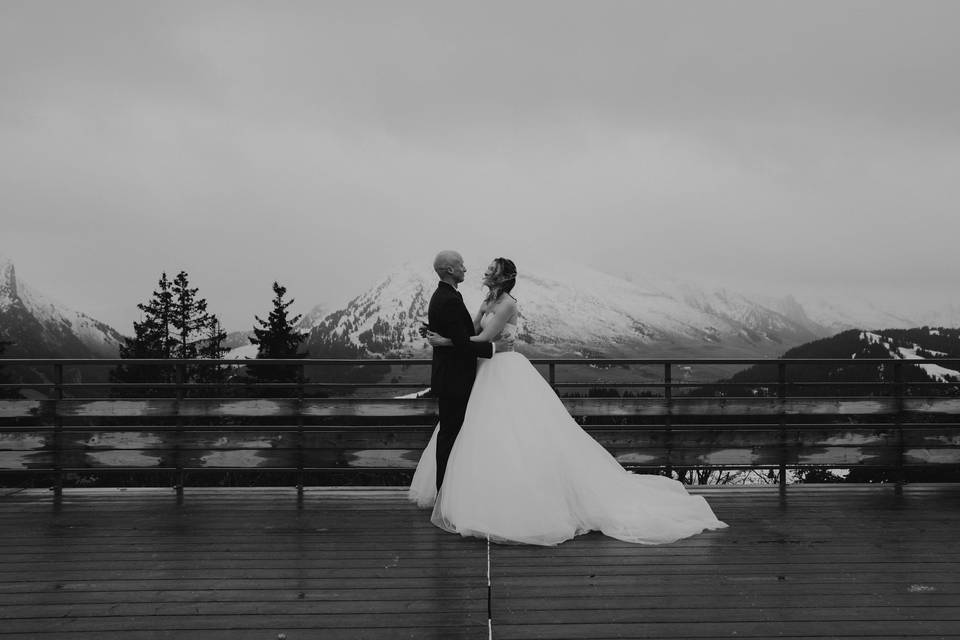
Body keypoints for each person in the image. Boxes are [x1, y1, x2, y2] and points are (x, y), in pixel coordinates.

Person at [409, 257, 727, 546]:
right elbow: (473, 332)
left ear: (503, 277)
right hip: (485, 371)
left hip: (504, 369)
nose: (483, 271)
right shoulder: (488, 300)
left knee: (518, 433)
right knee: (484, 434)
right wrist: (469, 321)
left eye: (491, 269)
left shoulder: (507, 304)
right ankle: (480, 494)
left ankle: (523, 497)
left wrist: (445, 341)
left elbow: (482, 339)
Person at [424, 250, 495, 492]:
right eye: (461, 265)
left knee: (449, 434)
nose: (465, 268)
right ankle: (446, 493)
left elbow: (457, 335)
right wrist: (496, 349)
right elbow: (464, 343)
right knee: (451, 435)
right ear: (450, 270)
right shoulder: (450, 300)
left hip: (449, 377)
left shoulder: (443, 296)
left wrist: (447, 340)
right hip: (455, 378)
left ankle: (447, 490)